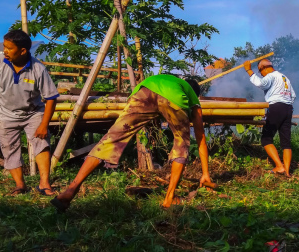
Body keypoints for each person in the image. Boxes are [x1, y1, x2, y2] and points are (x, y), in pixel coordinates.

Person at [51, 74, 212, 211]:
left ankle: (70, 190)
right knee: (181, 144)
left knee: (111, 139)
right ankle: (169, 198)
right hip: (174, 98)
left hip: (143, 91)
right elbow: (201, 138)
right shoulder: (190, 94)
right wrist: (205, 174)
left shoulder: (164, 79)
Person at [0, 30, 59, 196]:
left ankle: (44, 184)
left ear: (23, 51)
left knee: (41, 143)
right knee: (9, 148)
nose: (5, 51)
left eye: (9, 48)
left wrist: (44, 124)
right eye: (4, 47)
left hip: (33, 112)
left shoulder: (38, 68)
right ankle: (20, 185)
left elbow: (51, 98)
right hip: (5, 114)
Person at [243, 58, 296, 176]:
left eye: (260, 72)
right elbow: (293, 96)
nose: (261, 74)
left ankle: (279, 166)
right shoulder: (284, 77)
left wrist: (249, 70)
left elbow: (260, 83)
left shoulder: (271, 76)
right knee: (286, 142)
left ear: (264, 68)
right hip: (288, 108)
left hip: (276, 107)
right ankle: (287, 172)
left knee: (266, 139)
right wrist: (286, 104)